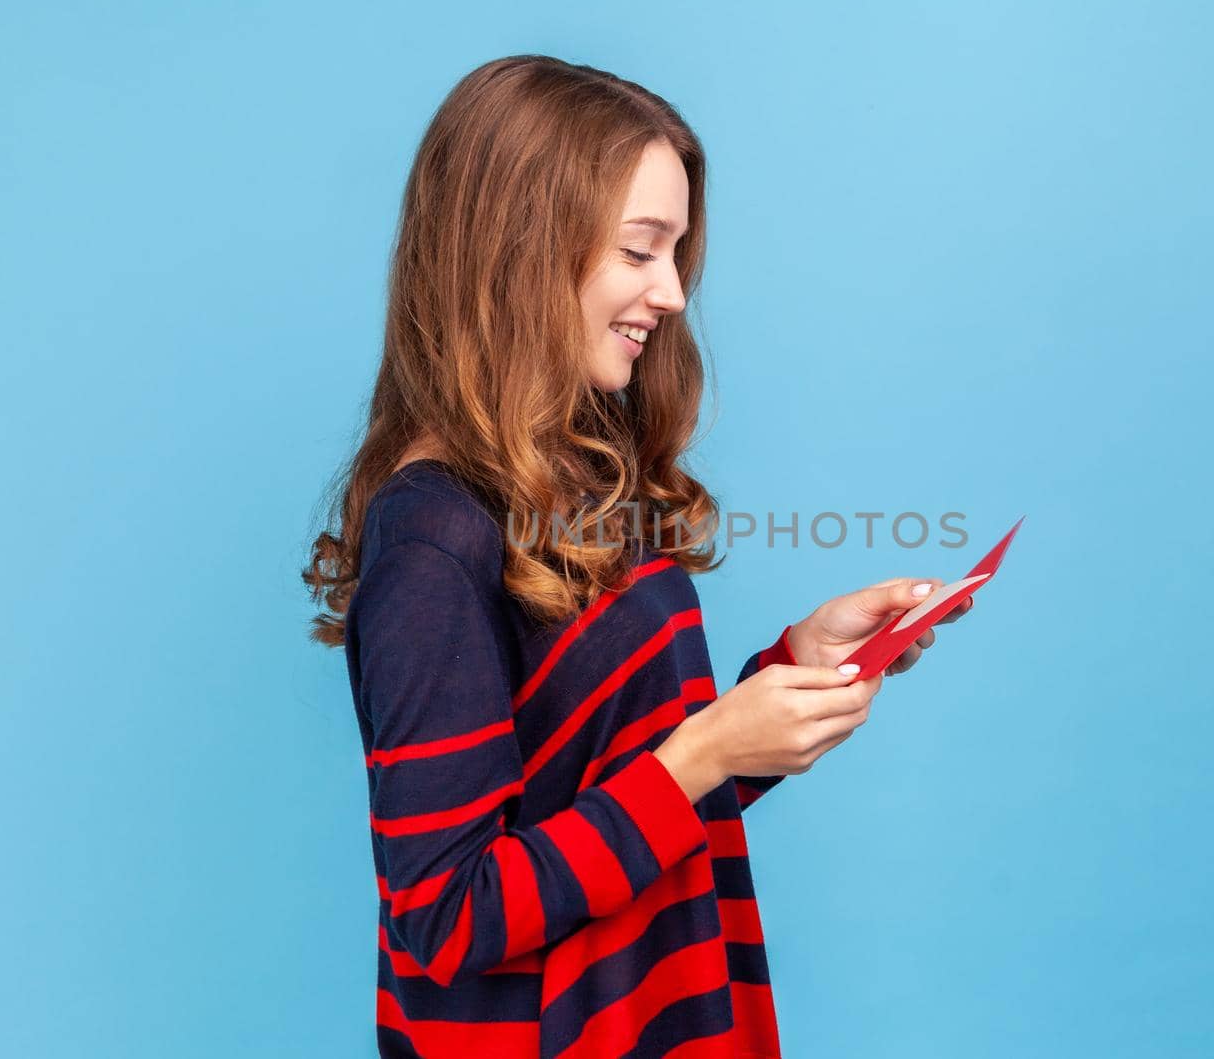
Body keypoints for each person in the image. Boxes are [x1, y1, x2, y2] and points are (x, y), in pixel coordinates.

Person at [303, 53, 973, 1059]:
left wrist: (791, 674)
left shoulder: (579, 476)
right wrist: (706, 751)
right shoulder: (435, 539)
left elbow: (628, 791)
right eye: (639, 250)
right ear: (517, 252)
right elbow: (444, 918)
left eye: (675, 253)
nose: (669, 292)